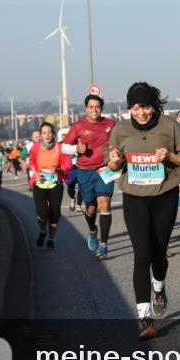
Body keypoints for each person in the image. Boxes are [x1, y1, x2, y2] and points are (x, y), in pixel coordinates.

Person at [106, 83, 180, 340]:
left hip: (164, 196)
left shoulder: (170, 126)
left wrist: (169, 155)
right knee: (142, 254)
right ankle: (144, 318)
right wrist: (114, 160)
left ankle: (159, 287)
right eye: (136, 107)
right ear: (130, 108)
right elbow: (110, 162)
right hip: (134, 198)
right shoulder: (121, 130)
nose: (141, 113)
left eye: (145, 107)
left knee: (158, 254)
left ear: (153, 106)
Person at [62, 94, 117, 260]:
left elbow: (121, 141)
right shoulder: (79, 126)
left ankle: (104, 245)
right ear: (86, 108)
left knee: (104, 203)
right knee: (91, 207)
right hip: (85, 171)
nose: (94, 109)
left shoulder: (110, 124)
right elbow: (64, 147)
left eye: (97, 106)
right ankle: (93, 231)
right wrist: (76, 150)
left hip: (105, 170)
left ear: (101, 108)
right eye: (91, 107)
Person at [28, 122, 73, 250]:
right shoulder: (36, 147)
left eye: (49, 132)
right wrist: (36, 173)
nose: (47, 135)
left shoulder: (60, 147)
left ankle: (51, 239)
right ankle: (43, 231)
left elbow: (68, 165)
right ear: (41, 135)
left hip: (55, 184)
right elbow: (31, 160)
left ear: (53, 134)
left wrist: (58, 169)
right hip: (40, 184)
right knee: (42, 212)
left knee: (55, 214)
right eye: (44, 133)